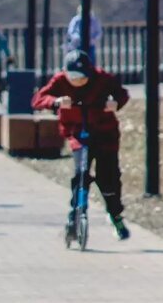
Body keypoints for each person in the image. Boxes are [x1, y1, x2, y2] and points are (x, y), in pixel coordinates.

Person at [32, 50, 131, 241]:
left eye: (82, 77)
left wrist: (114, 103)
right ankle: (76, 209)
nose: (77, 81)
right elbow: (38, 99)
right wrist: (56, 102)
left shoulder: (102, 78)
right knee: (81, 172)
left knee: (108, 177)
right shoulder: (60, 80)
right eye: (73, 77)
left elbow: (122, 94)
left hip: (104, 133)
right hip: (78, 133)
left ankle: (115, 214)